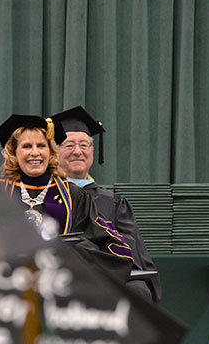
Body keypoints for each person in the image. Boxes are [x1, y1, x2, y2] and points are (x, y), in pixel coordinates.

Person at [0, 114, 134, 282]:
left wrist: (71, 251)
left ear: (51, 151)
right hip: (9, 284)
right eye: (26, 146)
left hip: (62, 284)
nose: (35, 153)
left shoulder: (73, 195)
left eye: (41, 146)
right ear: (13, 153)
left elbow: (113, 246)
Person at [50, 105, 162, 303]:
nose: (78, 151)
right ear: (54, 152)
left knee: (138, 290)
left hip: (111, 275)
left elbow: (131, 249)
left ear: (93, 151)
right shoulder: (46, 195)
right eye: (69, 145)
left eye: (84, 145)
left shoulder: (113, 202)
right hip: (59, 276)